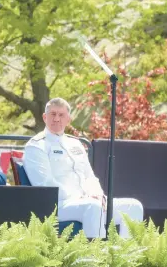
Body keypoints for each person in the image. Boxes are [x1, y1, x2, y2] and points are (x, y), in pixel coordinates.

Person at [23, 97, 143, 238]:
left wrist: (97, 195)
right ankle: (96, 257)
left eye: (61, 115)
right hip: (58, 205)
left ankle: (125, 257)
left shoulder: (76, 144)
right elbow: (45, 184)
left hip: (85, 201)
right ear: (44, 117)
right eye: (52, 114)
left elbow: (89, 176)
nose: (56, 119)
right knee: (93, 207)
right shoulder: (36, 145)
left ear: (68, 119)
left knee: (133, 207)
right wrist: (82, 197)